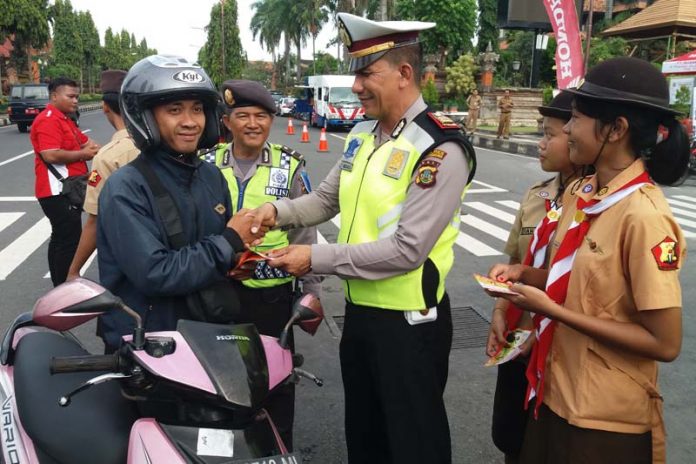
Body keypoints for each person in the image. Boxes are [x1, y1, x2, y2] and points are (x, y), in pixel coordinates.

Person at [247, 13, 477, 464]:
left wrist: (313, 258)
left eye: (367, 74)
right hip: (362, 314)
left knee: (414, 445)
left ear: (404, 74)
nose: (356, 87)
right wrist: (274, 212)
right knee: (366, 438)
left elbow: (408, 251)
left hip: (411, 324)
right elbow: (325, 200)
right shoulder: (362, 135)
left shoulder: (439, 148)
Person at [488, 57, 688, 464]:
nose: (567, 130)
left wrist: (554, 312)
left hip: (603, 420)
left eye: (576, 118)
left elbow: (665, 343)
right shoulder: (582, 194)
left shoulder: (644, 216)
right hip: (551, 392)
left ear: (615, 130)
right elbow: (575, 282)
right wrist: (524, 274)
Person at [96, 55, 264, 352]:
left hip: (206, 335)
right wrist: (229, 242)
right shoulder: (126, 188)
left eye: (197, 109)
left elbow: (212, 252)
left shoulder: (211, 177)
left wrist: (236, 261)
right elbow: (156, 272)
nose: (190, 122)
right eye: (175, 110)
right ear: (146, 117)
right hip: (149, 344)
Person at [205, 79, 322, 450]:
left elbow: (304, 232)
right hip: (216, 292)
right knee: (220, 379)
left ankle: (278, 450)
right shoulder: (206, 165)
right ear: (227, 121)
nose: (252, 123)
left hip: (271, 294)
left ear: (272, 119)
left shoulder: (289, 166)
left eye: (261, 115)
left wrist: (311, 291)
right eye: (243, 116)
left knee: (275, 381)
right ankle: (230, 450)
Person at [486, 91, 580, 464]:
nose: (541, 143)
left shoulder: (594, 206)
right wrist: (498, 313)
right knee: (511, 438)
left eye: (550, 134)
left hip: (559, 350)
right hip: (518, 339)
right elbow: (513, 259)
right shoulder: (535, 196)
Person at [67, 70, 138, 281]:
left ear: (105, 107)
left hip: (129, 260)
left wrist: (74, 271)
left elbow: (95, 220)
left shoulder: (109, 156)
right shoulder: (166, 144)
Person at [30, 77, 101, 286]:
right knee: (68, 240)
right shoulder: (48, 119)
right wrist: (83, 155)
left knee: (62, 238)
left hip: (69, 188)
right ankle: (63, 288)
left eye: (77, 96)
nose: (75, 100)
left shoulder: (65, 120)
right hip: (55, 191)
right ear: (54, 96)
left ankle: (60, 286)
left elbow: (89, 144)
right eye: (70, 96)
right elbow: (50, 155)